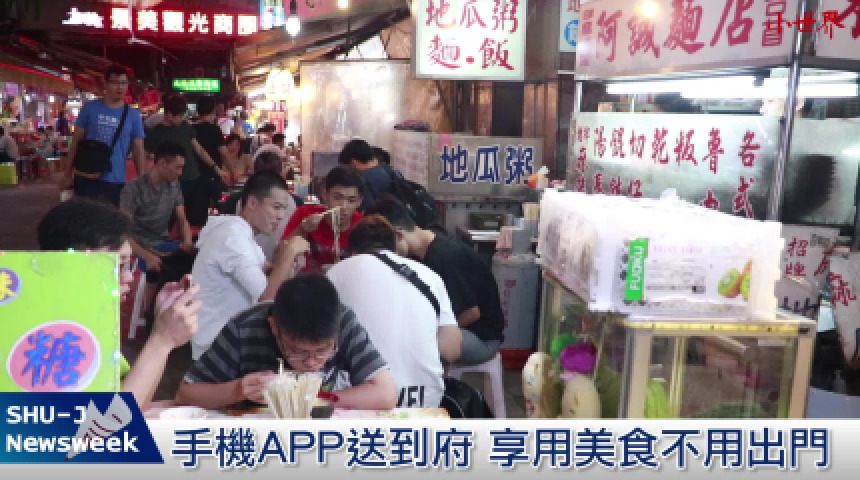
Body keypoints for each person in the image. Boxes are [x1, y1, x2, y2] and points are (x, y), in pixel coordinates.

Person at [37, 198, 200, 410]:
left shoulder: (91, 323)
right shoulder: (51, 336)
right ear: (72, 263)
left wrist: (161, 332)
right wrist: (161, 341)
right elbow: (107, 424)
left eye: (128, 265)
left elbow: (137, 404)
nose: (129, 277)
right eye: (118, 265)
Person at [175, 274, 398, 411]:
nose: (311, 362)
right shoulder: (244, 329)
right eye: (298, 352)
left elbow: (386, 394)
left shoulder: (343, 321)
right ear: (273, 327)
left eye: (323, 351)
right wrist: (238, 390)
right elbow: (186, 394)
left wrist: (314, 398)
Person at [327, 216, 462, 408]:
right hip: (424, 401)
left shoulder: (336, 273)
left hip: (361, 399)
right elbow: (451, 351)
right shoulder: (430, 276)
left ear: (353, 251)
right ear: (395, 246)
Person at [366, 196, 505, 366]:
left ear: (398, 234)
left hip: (481, 337)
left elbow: (471, 313)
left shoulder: (445, 256)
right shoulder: (422, 250)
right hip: (455, 329)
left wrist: (429, 333)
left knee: (413, 344)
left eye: (385, 246)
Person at [190, 171, 297, 360]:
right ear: (252, 202)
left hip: (231, 338)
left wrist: (284, 256)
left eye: (284, 209)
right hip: (218, 347)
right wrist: (290, 253)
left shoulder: (243, 235)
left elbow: (273, 276)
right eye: (276, 207)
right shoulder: (233, 239)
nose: (281, 216)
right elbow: (268, 300)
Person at [119, 141, 196, 313]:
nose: (180, 172)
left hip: (162, 243)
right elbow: (123, 233)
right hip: (140, 245)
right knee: (160, 265)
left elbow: (182, 219)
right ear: (162, 163)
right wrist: (146, 256)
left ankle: (170, 307)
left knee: (195, 257)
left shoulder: (174, 185)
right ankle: (152, 312)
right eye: (177, 168)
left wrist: (187, 242)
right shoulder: (133, 189)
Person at [63, 65, 146, 205]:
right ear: (105, 84)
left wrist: (142, 180)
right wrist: (67, 174)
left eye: (123, 83)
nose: (120, 87)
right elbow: (76, 142)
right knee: (85, 216)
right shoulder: (89, 108)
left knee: (110, 217)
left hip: (115, 180)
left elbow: (138, 150)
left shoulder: (133, 115)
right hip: (86, 176)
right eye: (115, 82)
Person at [144, 94, 219, 228]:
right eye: (178, 115)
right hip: (168, 184)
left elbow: (199, 150)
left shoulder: (185, 127)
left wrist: (216, 168)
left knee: (197, 221)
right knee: (167, 221)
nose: (181, 119)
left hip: (193, 179)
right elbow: (144, 156)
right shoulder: (156, 133)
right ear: (168, 114)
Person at [279, 165, 365, 274]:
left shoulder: (363, 225)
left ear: (360, 201)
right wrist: (302, 230)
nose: (343, 206)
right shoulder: (305, 214)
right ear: (325, 194)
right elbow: (279, 255)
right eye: (337, 198)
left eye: (351, 201)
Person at [192, 96, 230, 206]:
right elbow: (224, 153)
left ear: (198, 111)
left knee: (199, 208)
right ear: (213, 111)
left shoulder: (191, 129)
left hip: (196, 177)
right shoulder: (215, 130)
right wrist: (233, 171)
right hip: (214, 176)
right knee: (220, 206)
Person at [339, 139, 393, 211]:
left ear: (354, 163)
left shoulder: (364, 180)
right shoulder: (386, 169)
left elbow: (365, 211)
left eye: (347, 168)